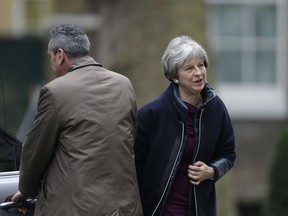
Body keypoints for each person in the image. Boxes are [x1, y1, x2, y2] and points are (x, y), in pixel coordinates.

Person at [12, 24, 142, 216]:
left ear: (60, 55)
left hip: (78, 208)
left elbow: (37, 150)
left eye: (50, 56)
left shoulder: (55, 92)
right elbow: (130, 139)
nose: (50, 62)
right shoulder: (124, 84)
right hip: (125, 207)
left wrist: (26, 190)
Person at [134, 36, 236, 216]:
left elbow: (228, 154)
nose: (198, 73)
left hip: (201, 210)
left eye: (201, 65)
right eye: (189, 68)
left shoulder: (216, 108)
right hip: (159, 210)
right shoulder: (151, 114)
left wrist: (211, 171)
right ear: (174, 76)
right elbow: (134, 169)